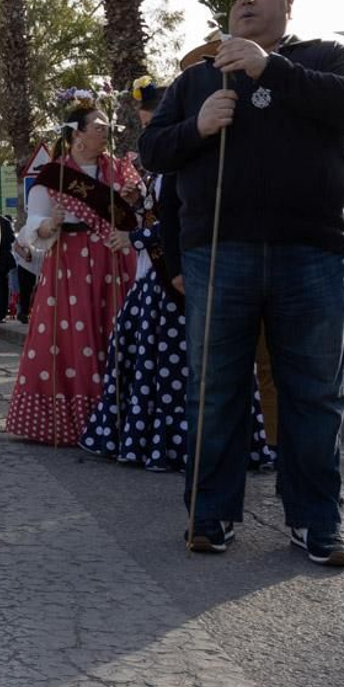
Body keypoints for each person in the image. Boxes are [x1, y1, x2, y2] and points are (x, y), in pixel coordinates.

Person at [141, 0, 344, 566]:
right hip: (220, 253)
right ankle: (210, 514)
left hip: (311, 252)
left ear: (288, 0)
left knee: (313, 394)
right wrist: (196, 125)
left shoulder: (326, 57)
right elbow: (153, 150)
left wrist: (268, 67)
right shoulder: (195, 79)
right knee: (214, 388)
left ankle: (316, 521)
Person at [80, 80, 273, 472]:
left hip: (184, 276)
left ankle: (183, 444)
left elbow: (183, 220)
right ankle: (159, 440)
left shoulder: (196, 160)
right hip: (161, 277)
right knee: (147, 359)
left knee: (178, 365)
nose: (145, 120)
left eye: (150, 113)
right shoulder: (163, 162)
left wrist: (135, 237)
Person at [6, 98, 139, 443]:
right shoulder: (54, 175)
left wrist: (131, 201)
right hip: (70, 264)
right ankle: (69, 422)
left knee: (114, 332)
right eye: (98, 126)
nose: (105, 132)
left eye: (107, 126)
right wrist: (49, 225)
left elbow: (139, 217)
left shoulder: (121, 170)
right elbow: (29, 226)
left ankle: (119, 416)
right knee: (72, 339)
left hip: (113, 263)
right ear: (77, 135)